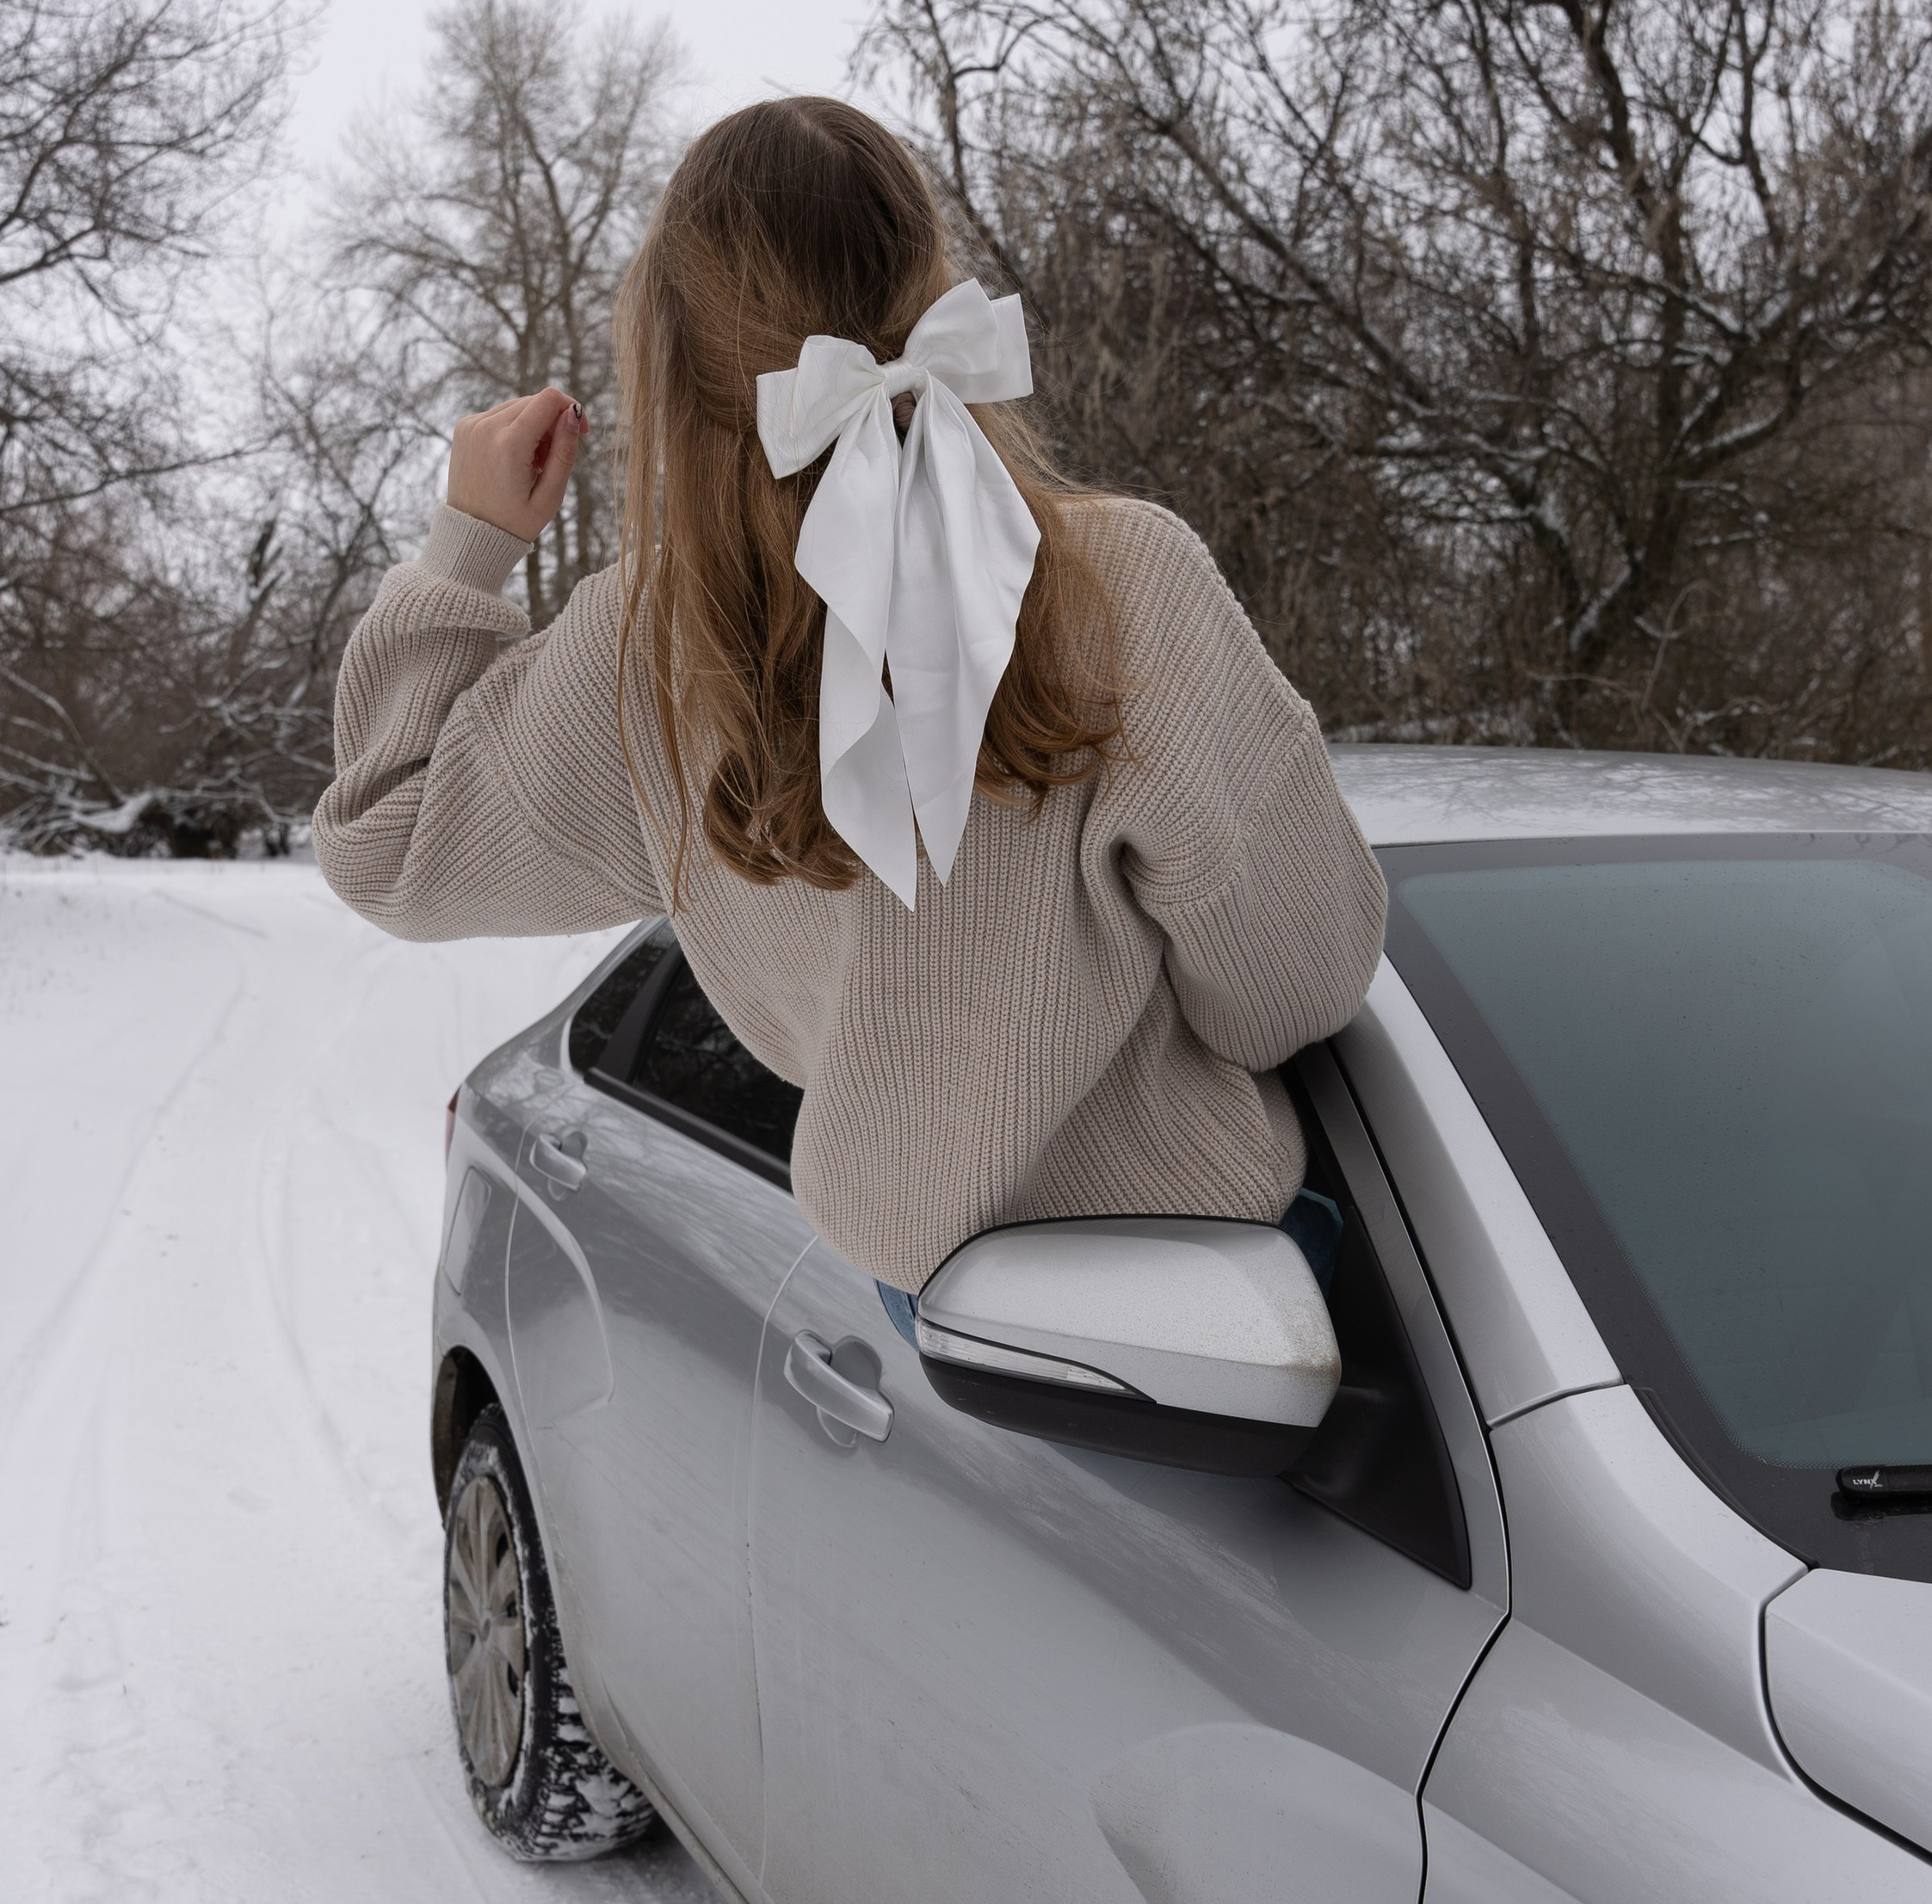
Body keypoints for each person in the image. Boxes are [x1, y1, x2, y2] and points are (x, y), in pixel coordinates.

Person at [314, 97, 1387, 1322]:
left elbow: (382, 845)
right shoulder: (1125, 585)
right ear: (931, 290)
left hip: (924, 1320)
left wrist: (472, 544)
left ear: (677, 362)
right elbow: (1298, 986)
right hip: (1224, 1295)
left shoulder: (647, 658)